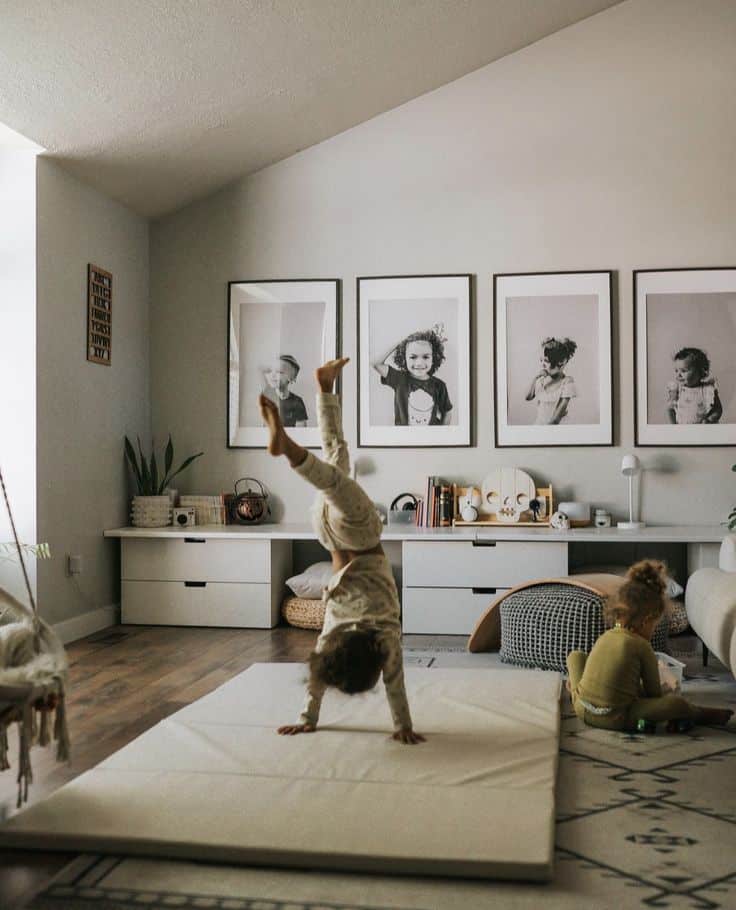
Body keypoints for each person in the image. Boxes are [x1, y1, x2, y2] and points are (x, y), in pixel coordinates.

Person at [258, 357, 425, 745]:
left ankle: (288, 448)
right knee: (336, 462)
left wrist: (404, 726)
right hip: (326, 532)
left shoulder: (385, 639)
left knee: (333, 477)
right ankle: (324, 389)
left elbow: (395, 685)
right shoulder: (330, 633)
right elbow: (316, 679)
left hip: (358, 535)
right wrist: (307, 717)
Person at [566, 560, 733, 732]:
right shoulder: (642, 646)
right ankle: (698, 714)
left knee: (576, 656)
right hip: (617, 717)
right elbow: (654, 694)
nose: (653, 631)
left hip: (582, 708)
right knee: (675, 704)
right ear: (646, 621)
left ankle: (574, 690)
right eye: (654, 625)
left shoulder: (605, 637)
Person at [372, 325, 452, 426]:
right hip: (403, 439)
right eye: (413, 357)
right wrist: (400, 341)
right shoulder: (399, 379)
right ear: (404, 358)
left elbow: (447, 412)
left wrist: (442, 434)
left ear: (434, 358)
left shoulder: (439, 385)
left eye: (426, 357)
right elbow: (375, 363)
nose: (419, 363)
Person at [525, 337, 578, 425]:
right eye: (541, 360)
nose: (542, 365)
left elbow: (555, 420)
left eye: (546, 361)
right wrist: (535, 378)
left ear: (561, 362)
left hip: (556, 429)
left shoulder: (567, 383)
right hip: (539, 424)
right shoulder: (541, 380)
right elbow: (528, 397)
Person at [666, 347, 722, 424]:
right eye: (676, 370)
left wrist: (710, 420)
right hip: (683, 430)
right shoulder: (677, 390)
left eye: (683, 371)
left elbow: (718, 409)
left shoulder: (708, 389)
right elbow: (670, 409)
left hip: (704, 430)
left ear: (701, 371)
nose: (678, 374)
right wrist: (674, 427)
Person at [262, 354, 308, 427]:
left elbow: (301, 430)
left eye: (279, 372)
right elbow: (265, 428)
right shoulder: (268, 400)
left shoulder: (297, 402)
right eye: (270, 371)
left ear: (291, 378)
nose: (273, 375)